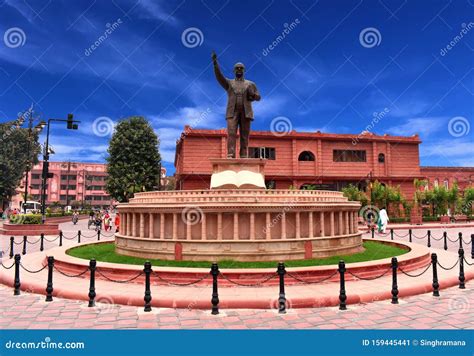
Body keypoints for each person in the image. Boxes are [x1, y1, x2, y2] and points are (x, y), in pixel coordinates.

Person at [212, 51, 261, 158]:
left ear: (244, 70)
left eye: (241, 68)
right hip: (232, 112)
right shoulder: (229, 83)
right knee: (231, 134)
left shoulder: (250, 84)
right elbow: (219, 77)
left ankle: (243, 154)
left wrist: (253, 95)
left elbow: (258, 97)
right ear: (234, 70)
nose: (239, 69)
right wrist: (215, 64)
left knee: (244, 135)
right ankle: (231, 154)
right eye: (237, 68)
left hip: (246, 112)